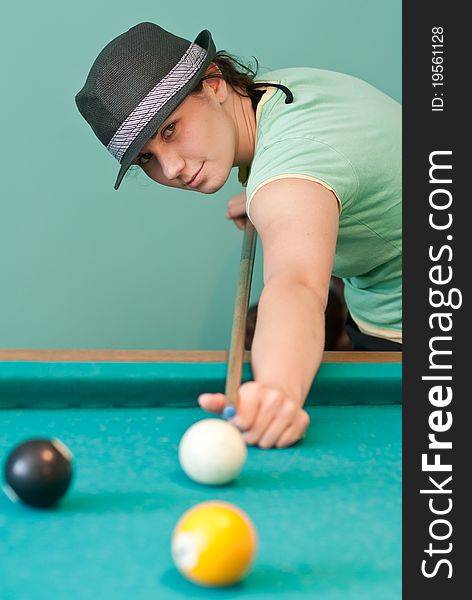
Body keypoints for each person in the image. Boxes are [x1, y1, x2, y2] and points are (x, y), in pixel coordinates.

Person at [76, 22, 401, 449]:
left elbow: (297, 286)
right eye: (146, 158)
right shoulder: (282, 92)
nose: (170, 168)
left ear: (212, 83)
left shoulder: (289, 176)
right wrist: (265, 202)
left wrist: (278, 390)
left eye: (170, 129)